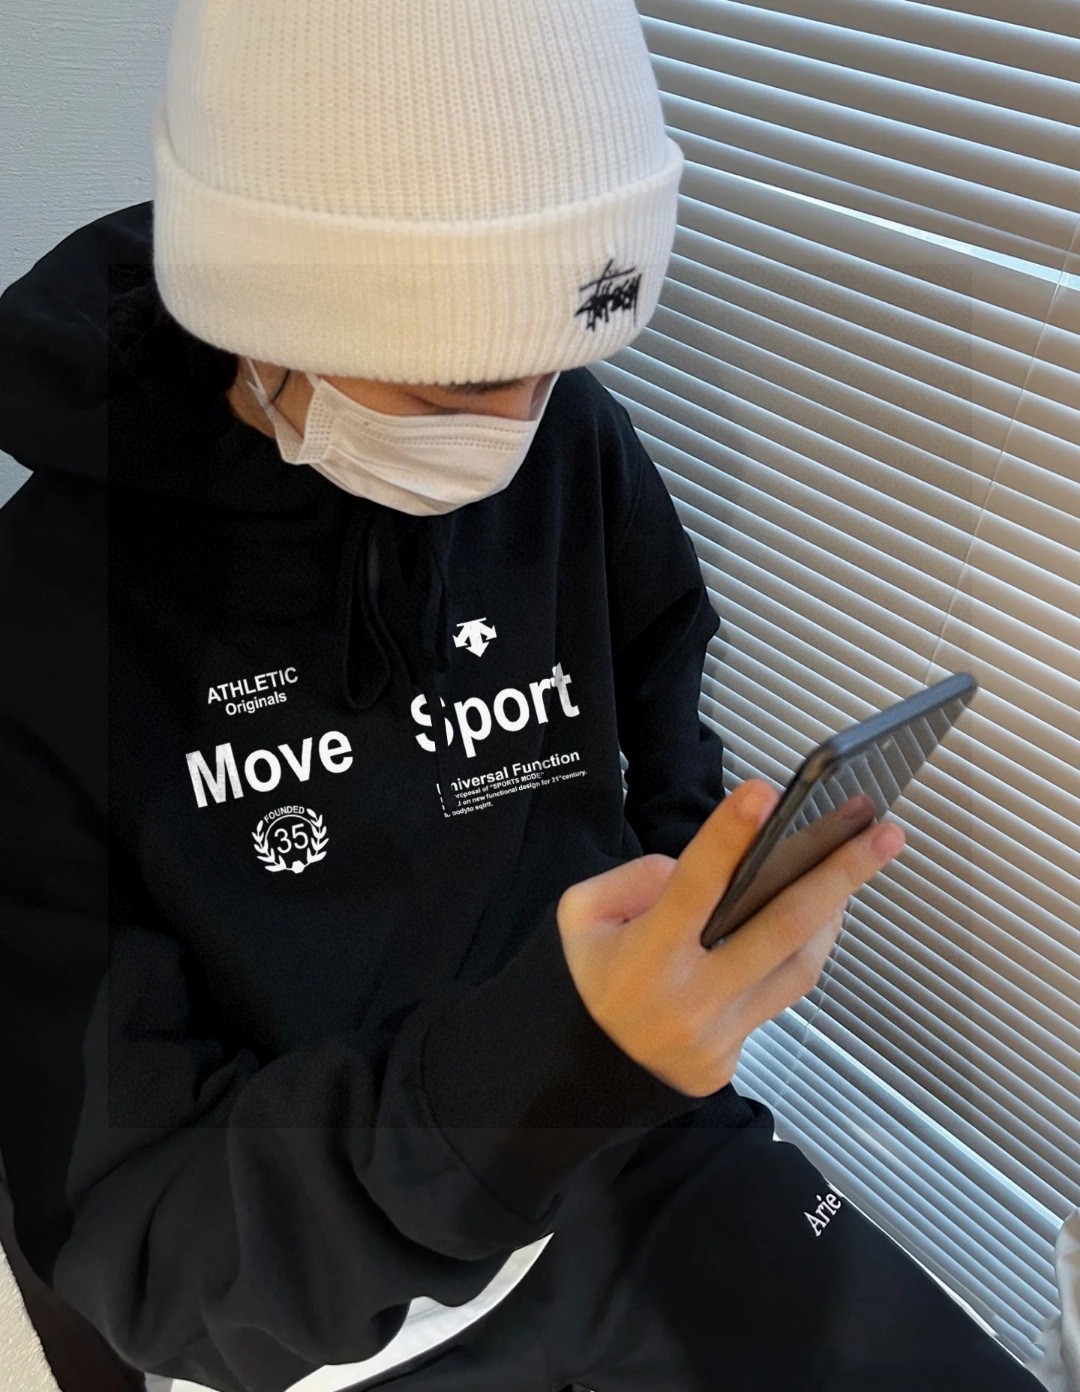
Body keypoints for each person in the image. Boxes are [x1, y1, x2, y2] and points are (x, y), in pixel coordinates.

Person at [0, 3, 1049, 1390]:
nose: (516, 428)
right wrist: (546, 1068)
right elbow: (146, 1240)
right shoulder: (48, 635)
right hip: (323, 1312)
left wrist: (688, 912)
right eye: (463, 378)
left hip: (629, 1143)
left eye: (557, 362)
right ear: (265, 301)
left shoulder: (569, 448)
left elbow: (661, 686)